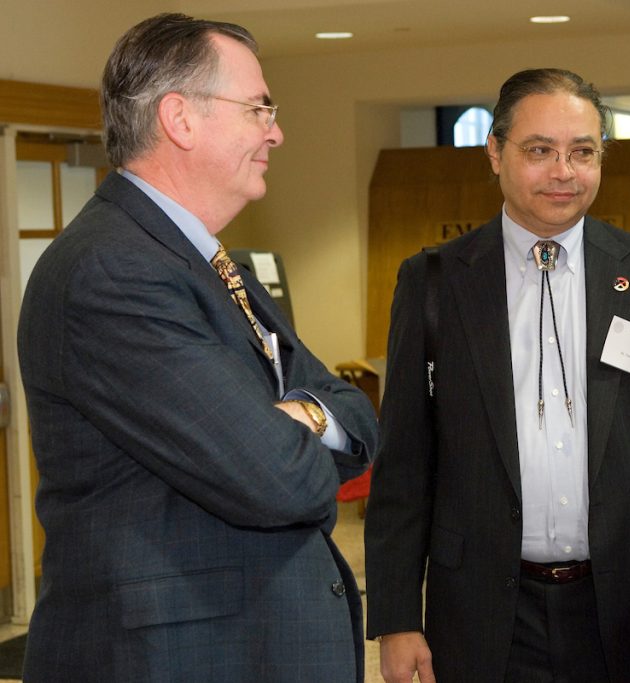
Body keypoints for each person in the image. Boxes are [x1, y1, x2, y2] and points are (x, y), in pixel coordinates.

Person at [17, 13, 378, 682]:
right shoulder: (112, 271)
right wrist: (296, 427)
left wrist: (302, 416)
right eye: (258, 108)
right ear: (180, 119)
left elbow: (354, 412)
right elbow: (276, 479)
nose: (276, 131)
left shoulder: (200, 259)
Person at [364, 68, 630, 683]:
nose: (564, 171)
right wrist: (397, 618)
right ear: (494, 153)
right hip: (479, 611)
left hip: (626, 605)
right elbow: (404, 465)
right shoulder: (434, 281)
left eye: (583, 152)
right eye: (539, 151)